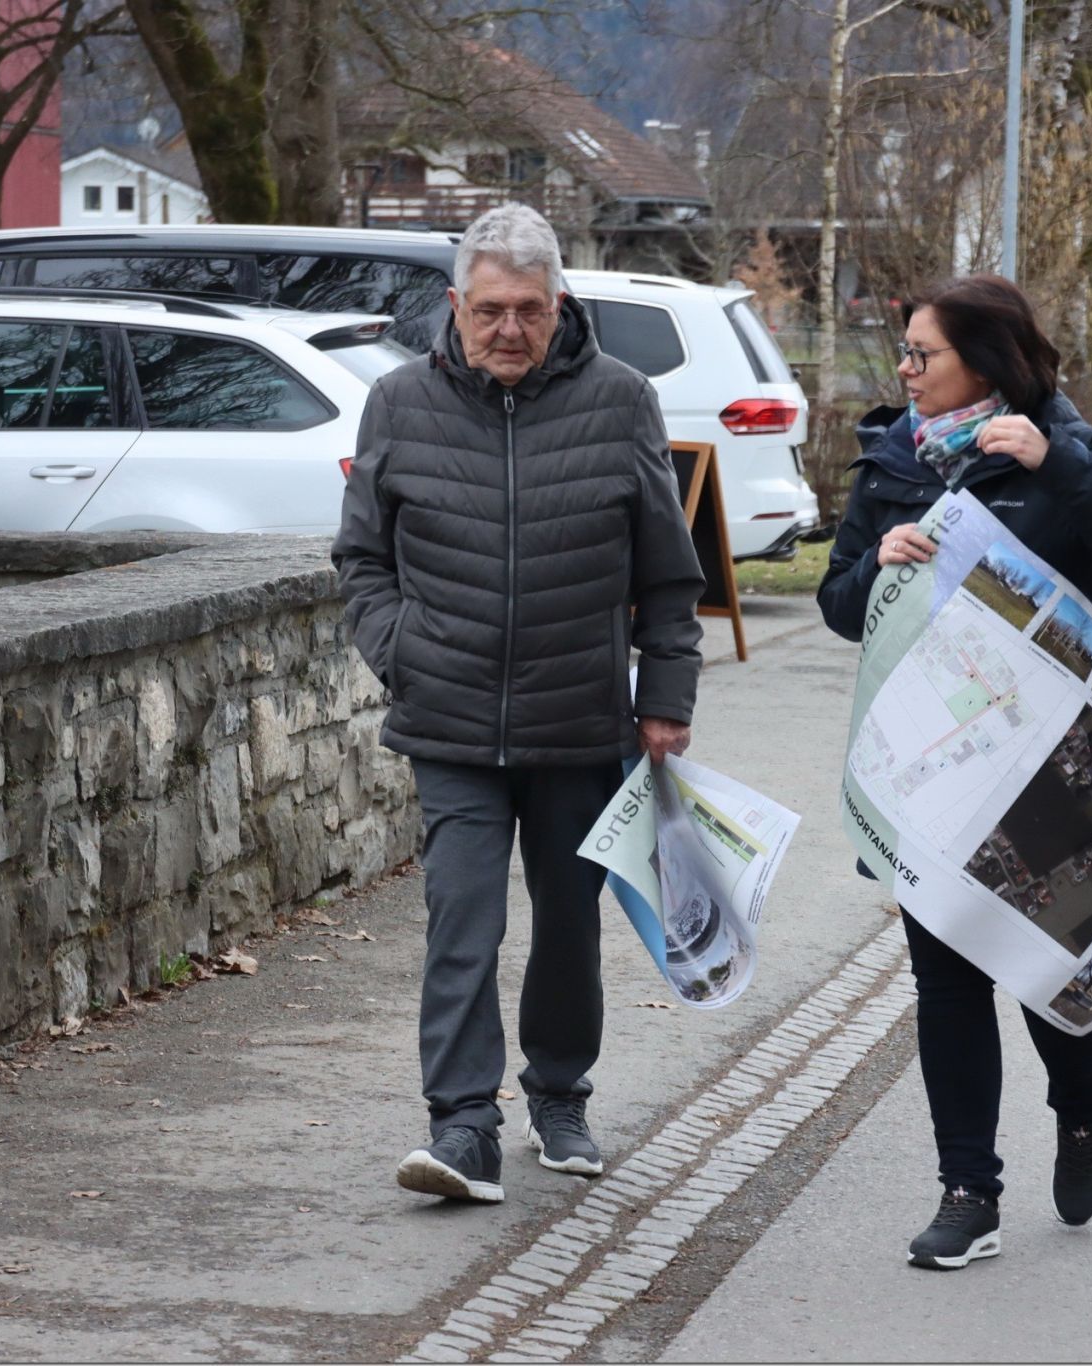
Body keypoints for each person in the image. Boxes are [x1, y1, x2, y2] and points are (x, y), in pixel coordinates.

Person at [332, 204, 705, 1204]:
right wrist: (401, 652)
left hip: (577, 720)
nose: (508, 330)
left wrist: (663, 696)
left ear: (559, 306)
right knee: (461, 915)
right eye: (489, 310)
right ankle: (460, 1127)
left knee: (568, 924)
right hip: (445, 718)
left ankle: (558, 1093)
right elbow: (361, 557)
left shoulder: (620, 401)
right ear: (455, 306)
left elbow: (668, 576)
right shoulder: (399, 404)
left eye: (528, 311)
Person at [816, 274, 1092, 1268]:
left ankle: (1078, 1108)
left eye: (920, 354)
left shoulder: (1057, 442)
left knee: (1046, 972)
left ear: (982, 361)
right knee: (946, 979)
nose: (903, 370)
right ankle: (966, 1189)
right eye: (905, 353)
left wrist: (1057, 463)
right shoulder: (894, 457)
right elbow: (839, 605)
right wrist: (875, 564)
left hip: (1051, 774)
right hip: (933, 769)